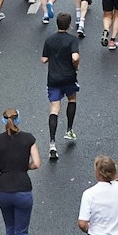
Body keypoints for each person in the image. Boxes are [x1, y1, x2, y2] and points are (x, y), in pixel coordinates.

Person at [43, 12, 82, 155]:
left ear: (57, 24)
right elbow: (75, 56)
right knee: (72, 99)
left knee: (54, 108)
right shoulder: (72, 40)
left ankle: (52, 143)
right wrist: (76, 64)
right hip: (69, 76)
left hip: (53, 78)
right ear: (70, 25)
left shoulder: (50, 40)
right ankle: (69, 130)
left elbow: (43, 59)